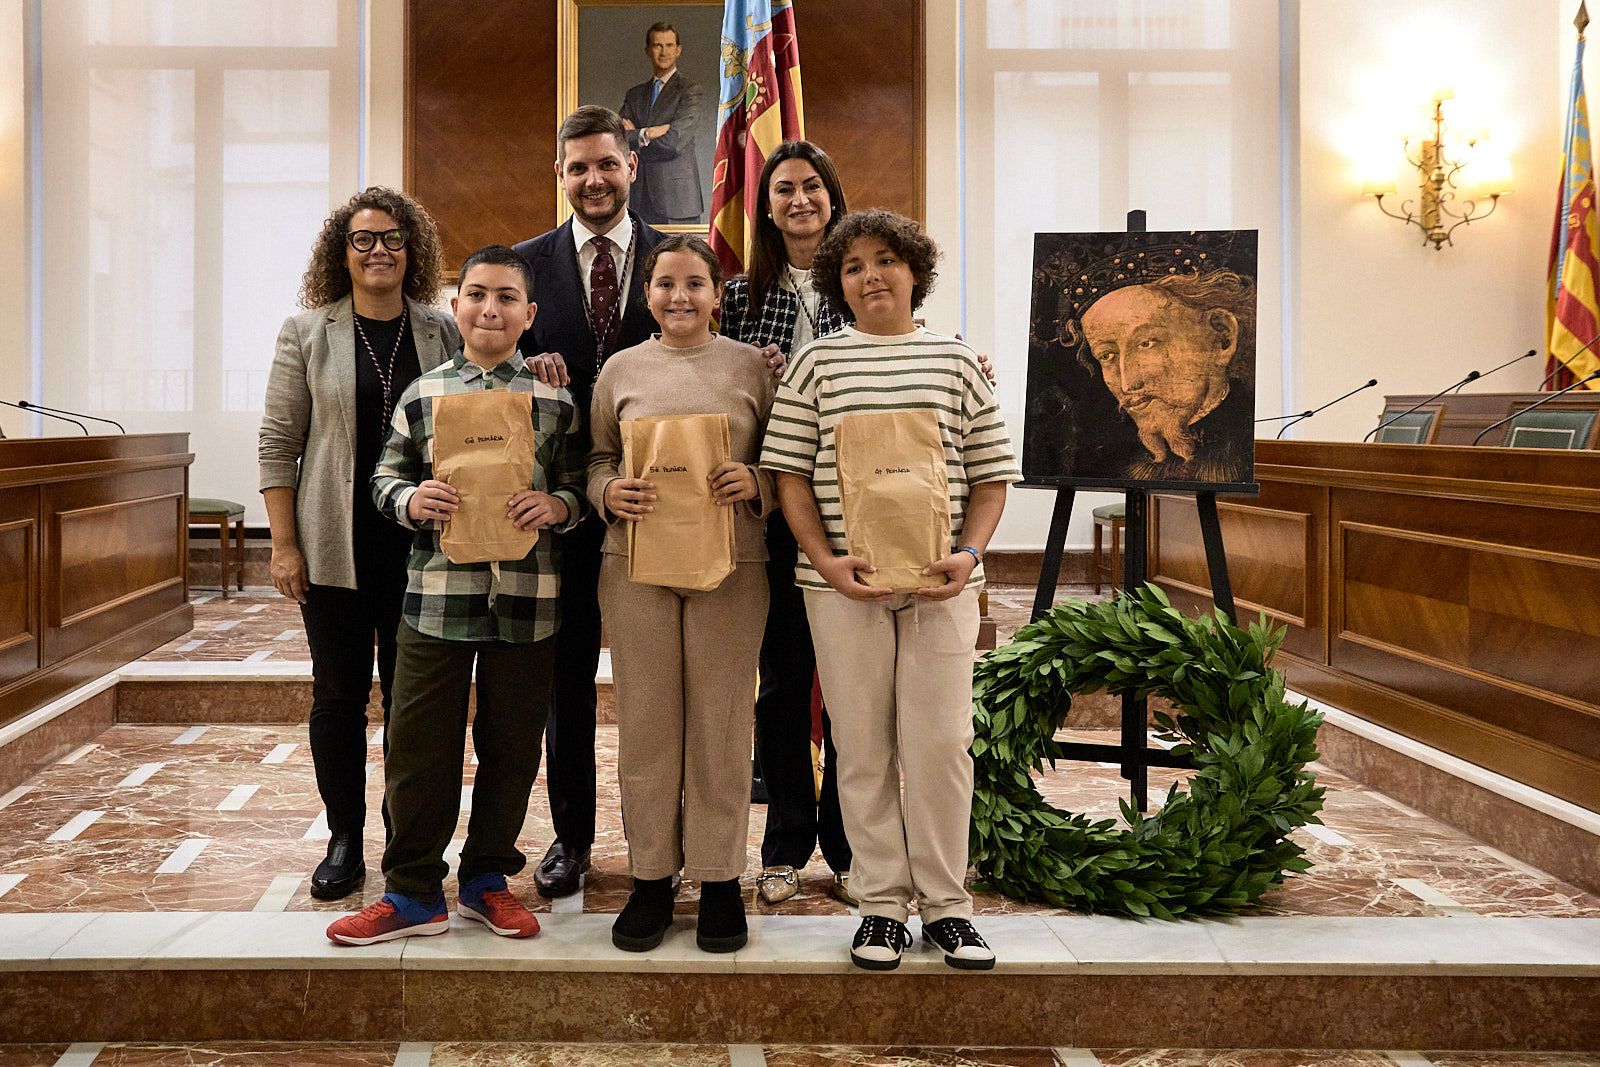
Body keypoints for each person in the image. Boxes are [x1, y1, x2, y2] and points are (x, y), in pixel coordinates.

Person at [760, 209, 1021, 972]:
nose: (871, 275)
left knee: (941, 744)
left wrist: (970, 554)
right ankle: (880, 903)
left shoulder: (956, 361)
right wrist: (827, 559)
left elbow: (991, 475)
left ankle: (947, 905)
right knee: (862, 745)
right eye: (853, 266)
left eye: (886, 260)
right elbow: (789, 476)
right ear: (837, 282)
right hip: (840, 588)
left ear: (915, 271)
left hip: (941, 586)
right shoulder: (817, 365)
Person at [326, 245, 587, 945]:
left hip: (528, 599)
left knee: (511, 746)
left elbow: (578, 487)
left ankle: (485, 879)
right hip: (437, 597)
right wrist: (413, 497)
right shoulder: (422, 394)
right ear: (456, 305)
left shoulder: (555, 399)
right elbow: (383, 480)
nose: (491, 308)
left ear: (529, 314)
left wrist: (557, 507)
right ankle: (412, 889)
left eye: (507, 297)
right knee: (418, 745)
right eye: (477, 294)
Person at [259, 187, 458, 901]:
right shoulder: (307, 331)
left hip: (424, 550)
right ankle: (344, 834)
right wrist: (284, 545)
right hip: (334, 547)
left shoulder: (442, 330)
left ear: (415, 250)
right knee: (339, 696)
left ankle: (404, 830)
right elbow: (280, 442)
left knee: (415, 701)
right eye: (364, 239)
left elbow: (484, 401)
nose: (380, 251)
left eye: (394, 238)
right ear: (340, 252)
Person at [589, 235, 774, 953]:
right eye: (666, 283)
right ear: (648, 295)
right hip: (634, 562)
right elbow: (598, 454)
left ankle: (721, 877)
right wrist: (608, 488)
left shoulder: (751, 368)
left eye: (696, 283)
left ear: (718, 294)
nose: (680, 297)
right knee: (648, 720)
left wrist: (753, 481)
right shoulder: (619, 369)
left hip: (735, 562)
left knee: (722, 721)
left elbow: (785, 458)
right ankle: (652, 876)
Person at [513, 105, 668, 901]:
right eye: (577, 168)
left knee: (657, 684)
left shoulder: (677, 261)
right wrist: (518, 354)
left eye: (606, 164)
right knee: (563, 682)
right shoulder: (524, 265)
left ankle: (662, 842)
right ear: (560, 175)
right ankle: (571, 837)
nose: (593, 180)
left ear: (632, 166)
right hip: (557, 509)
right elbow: (488, 354)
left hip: (659, 507)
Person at [718, 141, 854, 909]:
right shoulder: (739, 295)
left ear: (832, 197)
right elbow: (718, 386)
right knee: (782, 683)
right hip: (770, 506)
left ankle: (846, 845)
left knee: (847, 684)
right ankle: (784, 844)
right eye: (783, 191)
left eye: (810, 187)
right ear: (765, 208)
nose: (798, 200)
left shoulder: (863, 279)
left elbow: (906, 350)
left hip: (849, 507)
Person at [1073, 267, 1256, 484]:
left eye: (1146, 344)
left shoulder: (1250, 447)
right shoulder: (1102, 460)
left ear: (1222, 336)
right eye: (1107, 355)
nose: (1128, 384)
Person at [619, 22, 705, 226]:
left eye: (669, 45)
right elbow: (619, 138)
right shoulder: (635, 95)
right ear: (647, 50)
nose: (663, 51)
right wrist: (649, 133)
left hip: (678, 201)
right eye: (658, 45)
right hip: (641, 198)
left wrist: (637, 136)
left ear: (678, 50)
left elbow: (674, 142)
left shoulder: (690, 90)